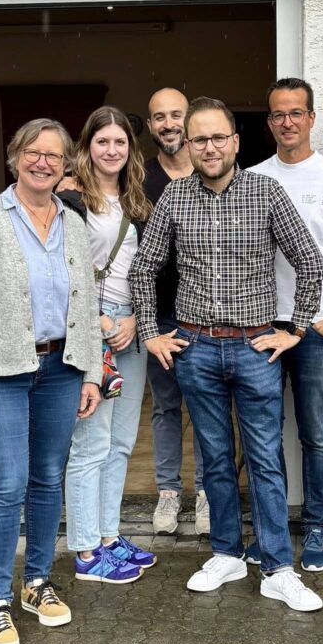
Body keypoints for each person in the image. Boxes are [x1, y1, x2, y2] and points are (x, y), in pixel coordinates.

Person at [130, 96, 323, 612]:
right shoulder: (174, 197)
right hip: (195, 349)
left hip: (255, 348)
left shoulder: (266, 191)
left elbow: (311, 263)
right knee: (215, 459)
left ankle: (278, 567)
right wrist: (151, 332)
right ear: (188, 144)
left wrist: (295, 329)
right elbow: (143, 269)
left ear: (235, 142)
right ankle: (226, 553)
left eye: (219, 137)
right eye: (200, 139)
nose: (210, 147)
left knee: (265, 459)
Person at [0, 119, 102, 644]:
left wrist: (92, 372)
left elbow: (87, 303)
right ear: (14, 158)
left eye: (54, 156)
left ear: (65, 165)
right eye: (33, 152)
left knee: (47, 479)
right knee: (8, 483)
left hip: (61, 368)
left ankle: (36, 582)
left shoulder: (73, 222)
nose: (43, 162)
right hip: (1, 373)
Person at [247, 77, 323, 571]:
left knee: (317, 433)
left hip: (317, 326)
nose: (287, 122)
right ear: (269, 122)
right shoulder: (252, 178)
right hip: (261, 323)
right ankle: (271, 530)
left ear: (312, 118)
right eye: (278, 114)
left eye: (296, 112)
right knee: (263, 434)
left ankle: (317, 526)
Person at [58, 106, 156, 585]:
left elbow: (145, 271)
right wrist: (99, 322)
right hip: (90, 328)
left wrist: (135, 318)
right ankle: (85, 551)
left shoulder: (136, 200)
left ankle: (109, 536)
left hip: (129, 329)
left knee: (120, 443)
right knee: (90, 444)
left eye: (120, 142)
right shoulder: (70, 197)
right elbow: (60, 270)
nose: (112, 150)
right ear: (87, 146)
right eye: (102, 142)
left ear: (130, 149)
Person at [143, 87, 208, 535]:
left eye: (176, 115)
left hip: (206, 315)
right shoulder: (138, 178)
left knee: (206, 406)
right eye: (159, 117)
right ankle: (168, 492)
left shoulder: (213, 170)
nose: (169, 124)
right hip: (160, 316)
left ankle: (206, 491)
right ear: (150, 125)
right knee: (166, 407)